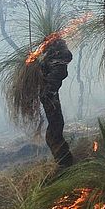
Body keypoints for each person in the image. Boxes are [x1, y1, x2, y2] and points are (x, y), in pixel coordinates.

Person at [39, 37, 74, 167]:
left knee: (56, 127)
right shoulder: (53, 60)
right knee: (55, 128)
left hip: (49, 95)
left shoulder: (58, 60)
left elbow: (59, 72)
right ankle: (64, 163)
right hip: (48, 96)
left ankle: (64, 162)